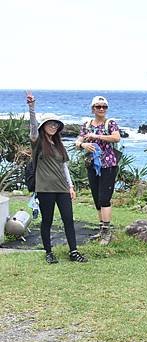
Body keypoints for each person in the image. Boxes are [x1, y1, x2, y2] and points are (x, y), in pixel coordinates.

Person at [26, 91, 87, 263]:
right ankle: (48, 252)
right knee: (47, 221)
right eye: (50, 124)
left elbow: (64, 167)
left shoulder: (59, 145)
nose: (53, 126)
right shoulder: (37, 142)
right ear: (43, 126)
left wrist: (71, 187)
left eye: (55, 125)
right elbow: (32, 128)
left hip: (62, 188)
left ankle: (73, 252)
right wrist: (32, 107)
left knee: (68, 219)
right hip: (45, 188)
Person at [74, 95, 121, 245]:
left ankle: (107, 231)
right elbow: (78, 141)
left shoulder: (110, 123)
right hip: (92, 165)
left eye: (104, 107)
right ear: (93, 108)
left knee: (104, 198)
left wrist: (96, 136)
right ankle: (101, 229)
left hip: (108, 165)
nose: (101, 109)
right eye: (98, 106)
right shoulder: (87, 124)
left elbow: (116, 138)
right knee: (96, 199)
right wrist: (83, 145)